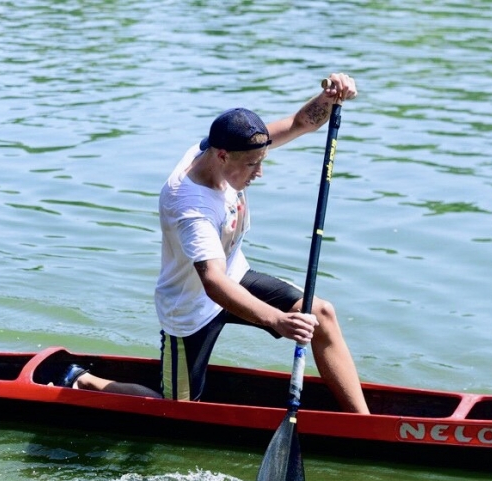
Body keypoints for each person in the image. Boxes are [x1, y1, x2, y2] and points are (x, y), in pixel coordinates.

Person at [61, 73, 369, 414]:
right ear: (222, 156)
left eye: (262, 159)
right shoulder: (192, 206)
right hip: (191, 308)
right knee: (176, 409)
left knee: (321, 313)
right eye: (253, 164)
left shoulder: (225, 147)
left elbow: (299, 123)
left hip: (233, 276)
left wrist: (329, 98)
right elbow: (212, 282)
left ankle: (365, 424)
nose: (259, 172)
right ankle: (85, 381)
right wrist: (276, 321)